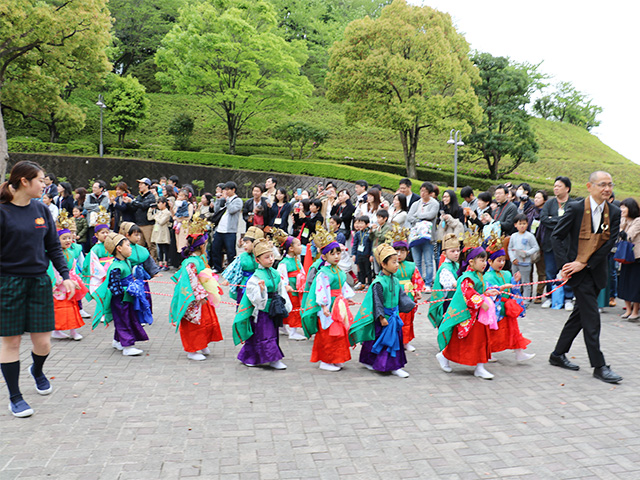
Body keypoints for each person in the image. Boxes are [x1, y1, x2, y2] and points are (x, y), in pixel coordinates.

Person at [1, 161, 77, 417]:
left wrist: (65, 275)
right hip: (8, 282)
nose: (45, 185)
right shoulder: (2, 212)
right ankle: (15, 396)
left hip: (39, 282)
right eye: (41, 180)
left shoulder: (41, 210)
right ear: (24, 181)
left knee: (43, 342)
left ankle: (37, 370)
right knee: (10, 341)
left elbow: (53, 246)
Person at [549, 171, 622, 384]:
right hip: (578, 274)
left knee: (579, 316)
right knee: (591, 318)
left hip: (596, 271)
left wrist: (586, 263)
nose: (607, 188)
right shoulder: (576, 208)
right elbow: (557, 236)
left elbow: (609, 244)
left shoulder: (614, 212)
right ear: (590, 187)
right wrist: (567, 265)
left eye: (609, 184)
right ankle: (599, 366)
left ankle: (557, 354)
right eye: (602, 184)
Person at [435, 235, 500, 379]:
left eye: (485, 260)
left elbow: (477, 291)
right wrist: (480, 302)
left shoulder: (478, 275)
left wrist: (487, 293)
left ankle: (479, 366)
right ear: (471, 262)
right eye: (482, 260)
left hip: (478, 314)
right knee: (469, 340)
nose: (484, 264)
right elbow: (468, 293)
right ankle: (445, 356)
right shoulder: (467, 277)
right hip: (470, 314)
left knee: (478, 339)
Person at [350, 244, 416, 378]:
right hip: (384, 318)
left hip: (394, 316)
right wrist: (381, 317)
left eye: (397, 261)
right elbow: (377, 302)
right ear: (383, 264)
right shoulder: (378, 283)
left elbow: (401, 297)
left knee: (384, 342)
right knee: (385, 342)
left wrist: (412, 303)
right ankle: (392, 366)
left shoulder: (395, 281)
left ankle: (372, 361)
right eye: (393, 262)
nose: (397, 265)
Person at [301, 225, 355, 372]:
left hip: (339, 304)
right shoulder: (323, 272)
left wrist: (347, 297)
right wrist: (324, 306)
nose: (337, 256)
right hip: (329, 306)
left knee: (339, 333)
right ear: (324, 256)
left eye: (338, 253)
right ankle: (325, 360)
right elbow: (321, 289)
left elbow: (343, 285)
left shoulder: (338, 270)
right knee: (328, 333)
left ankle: (336, 358)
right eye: (332, 254)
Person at [169, 216, 223, 361]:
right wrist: (201, 296)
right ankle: (192, 350)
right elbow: (191, 281)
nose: (206, 245)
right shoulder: (191, 262)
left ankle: (202, 343)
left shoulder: (199, 259)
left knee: (205, 321)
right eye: (205, 243)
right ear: (200, 246)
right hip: (193, 298)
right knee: (194, 324)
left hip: (202, 295)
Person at [232, 238, 292, 370]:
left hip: (273, 309)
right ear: (258, 260)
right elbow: (253, 297)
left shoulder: (275, 273)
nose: (271, 259)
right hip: (262, 311)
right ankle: (272, 359)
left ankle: (250, 357)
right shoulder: (255, 277)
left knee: (270, 334)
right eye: (267, 257)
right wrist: (261, 291)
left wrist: (286, 304)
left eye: (271, 256)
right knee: (265, 334)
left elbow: (280, 289)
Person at [91, 232, 152, 356]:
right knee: (124, 320)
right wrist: (127, 289)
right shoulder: (116, 266)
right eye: (128, 245)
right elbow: (114, 287)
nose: (130, 248)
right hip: (120, 300)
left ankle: (117, 340)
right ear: (119, 249)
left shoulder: (127, 262)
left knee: (127, 318)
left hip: (128, 298)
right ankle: (127, 346)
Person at [484, 235, 535, 362]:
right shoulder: (487, 276)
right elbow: (489, 292)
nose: (502, 263)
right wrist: (501, 288)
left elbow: (513, 290)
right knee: (494, 333)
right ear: (489, 262)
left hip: (508, 307)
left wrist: (515, 282)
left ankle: (519, 352)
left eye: (503, 260)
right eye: (498, 260)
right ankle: (488, 352)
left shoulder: (506, 273)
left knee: (514, 330)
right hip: (497, 308)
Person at [48, 211, 87, 341]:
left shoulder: (71, 252)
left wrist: (75, 279)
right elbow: (53, 269)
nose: (68, 240)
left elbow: (73, 268)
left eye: (69, 238)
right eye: (64, 238)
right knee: (61, 309)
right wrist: (60, 280)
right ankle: (57, 330)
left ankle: (73, 331)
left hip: (69, 283)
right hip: (60, 285)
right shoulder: (54, 255)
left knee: (72, 307)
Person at [540, 176, 574, 310]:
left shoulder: (573, 204)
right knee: (550, 271)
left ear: (567, 188)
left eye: (559, 186)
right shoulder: (549, 203)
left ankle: (568, 297)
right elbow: (544, 220)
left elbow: (571, 221)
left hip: (567, 244)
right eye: (554, 186)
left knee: (567, 270)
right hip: (550, 243)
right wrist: (562, 220)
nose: (555, 188)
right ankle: (550, 296)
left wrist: (554, 219)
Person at [388, 224, 424, 352]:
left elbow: (417, 279)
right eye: (396, 251)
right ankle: (395, 340)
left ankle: (406, 341)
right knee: (396, 318)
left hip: (409, 295)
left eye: (402, 251)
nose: (399, 254)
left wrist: (418, 291)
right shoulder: (390, 266)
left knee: (408, 318)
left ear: (407, 252)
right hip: (395, 295)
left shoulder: (411, 265)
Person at [274, 231, 307, 341]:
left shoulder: (297, 260)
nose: (301, 247)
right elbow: (281, 277)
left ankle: (283, 327)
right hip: (291, 291)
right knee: (293, 310)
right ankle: (293, 331)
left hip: (298, 289)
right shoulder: (284, 263)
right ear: (291, 248)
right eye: (298, 244)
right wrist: (286, 286)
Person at [407, 181, 439, 288]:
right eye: (421, 191)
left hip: (428, 237)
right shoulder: (416, 203)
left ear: (430, 193)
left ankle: (428, 283)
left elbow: (431, 215)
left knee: (428, 261)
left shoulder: (434, 203)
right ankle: (419, 283)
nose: (422, 193)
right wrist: (420, 217)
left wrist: (418, 216)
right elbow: (409, 216)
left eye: (425, 191)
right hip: (416, 235)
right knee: (417, 262)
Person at [428, 233, 460, 329]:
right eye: (452, 251)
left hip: (454, 300)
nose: (456, 253)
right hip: (447, 302)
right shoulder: (445, 268)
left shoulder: (456, 265)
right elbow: (453, 284)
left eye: (458, 251)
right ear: (444, 253)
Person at [211, 181, 243, 273]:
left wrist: (227, 200)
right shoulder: (224, 200)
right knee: (215, 248)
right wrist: (218, 200)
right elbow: (216, 210)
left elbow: (232, 210)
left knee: (230, 251)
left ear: (233, 190)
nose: (226, 191)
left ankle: (232, 269)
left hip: (230, 230)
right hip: (219, 229)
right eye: (225, 189)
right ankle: (217, 267)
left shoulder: (238, 200)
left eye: (228, 190)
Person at [508, 213, 540, 304]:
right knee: (515, 281)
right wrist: (512, 258)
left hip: (526, 262)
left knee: (526, 282)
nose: (522, 226)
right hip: (515, 263)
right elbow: (510, 248)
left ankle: (526, 300)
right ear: (515, 225)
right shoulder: (513, 236)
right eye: (520, 224)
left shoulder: (529, 236)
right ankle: (515, 298)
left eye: (524, 223)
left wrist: (527, 253)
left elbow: (536, 247)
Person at [618, 197, 640, 321]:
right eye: (621, 207)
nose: (621, 210)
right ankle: (628, 309)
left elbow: (628, 237)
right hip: (625, 257)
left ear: (630, 208)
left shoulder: (638, 221)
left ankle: (636, 311)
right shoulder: (624, 220)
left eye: (624, 207)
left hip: (636, 257)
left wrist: (620, 228)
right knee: (625, 282)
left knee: (635, 284)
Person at [130, 178, 157, 261]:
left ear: (147, 186)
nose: (139, 186)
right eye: (139, 184)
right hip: (138, 223)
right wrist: (128, 202)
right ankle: (140, 261)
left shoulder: (151, 196)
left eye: (142, 184)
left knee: (151, 244)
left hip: (148, 224)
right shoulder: (139, 196)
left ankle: (154, 262)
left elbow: (144, 205)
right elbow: (134, 207)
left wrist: (133, 202)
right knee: (138, 244)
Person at [528, 190, 548, 303]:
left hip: (542, 245)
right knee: (528, 270)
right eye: (535, 198)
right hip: (529, 245)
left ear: (544, 200)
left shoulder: (546, 212)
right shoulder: (531, 211)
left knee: (541, 271)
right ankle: (528, 292)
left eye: (539, 198)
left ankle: (539, 294)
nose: (536, 200)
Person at [351, 216, 373, 289]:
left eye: (362, 223)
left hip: (366, 255)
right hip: (359, 254)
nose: (360, 225)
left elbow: (372, 245)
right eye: (359, 223)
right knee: (361, 269)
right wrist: (354, 254)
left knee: (368, 270)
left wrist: (371, 255)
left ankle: (369, 283)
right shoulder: (357, 234)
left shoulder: (370, 233)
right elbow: (355, 244)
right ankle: (362, 282)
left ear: (367, 224)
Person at [151, 198, 172, 271]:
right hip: (157, 231)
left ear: (164, 203)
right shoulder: (159, 212)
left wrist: (156, 216)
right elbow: (150, 217)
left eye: (159, 203)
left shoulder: (167, 212)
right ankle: (160, 263)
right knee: (159, 248)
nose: (158, 205)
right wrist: (151, 211)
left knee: (165, 248)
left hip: (163, 232)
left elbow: (161, 221)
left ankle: (165, 263)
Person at [369, 209, 391, 274]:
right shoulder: (378, 227)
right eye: (377, 218)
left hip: (383, 251)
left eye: (379, 218)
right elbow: (371, 238)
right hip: (375, 249)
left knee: (382, 268)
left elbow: (382, 237)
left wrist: (375, 231)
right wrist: (371, 231)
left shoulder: (387, 227)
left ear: (385, 218)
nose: (378, 220)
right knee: (376, 270)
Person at [173, 188, 194, 255]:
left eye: (181, 196)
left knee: (184, 243)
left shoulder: (189, 205)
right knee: (178, 243)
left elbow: (188, 217)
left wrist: (179, 219)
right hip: (177, 227)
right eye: (178, 196)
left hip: (185, 226)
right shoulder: (177, 205)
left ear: (185, 197)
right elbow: (174, 215)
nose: (179, 197)